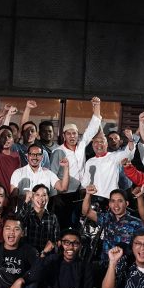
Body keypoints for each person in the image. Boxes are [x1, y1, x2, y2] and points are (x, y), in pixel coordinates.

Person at [50, 97, 102, 228]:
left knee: (78, 225)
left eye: (74, 133)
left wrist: (96, 106)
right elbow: (52, 175)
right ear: (64, 136)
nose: (72, 136)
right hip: (64, 195)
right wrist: (55, 196)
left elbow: (93, 127)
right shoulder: (58, 151)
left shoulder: (81, 146)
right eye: (69, 134)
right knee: (63, 224)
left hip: (81, 192)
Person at [82, 187, 143, 267]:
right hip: (105, 265)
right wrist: (88, 194)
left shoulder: (136, 223)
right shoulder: (106, 218)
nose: (116, 205)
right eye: (113, 201)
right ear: (109, 204)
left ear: (126, 203)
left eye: (120, 201)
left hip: (125, 267)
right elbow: (86, 212)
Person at [81, 130, 135, 200]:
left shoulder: (114, 157)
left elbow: (128, 154)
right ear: (93, 145)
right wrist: (87, 187)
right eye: (96, 142)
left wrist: (130, 139)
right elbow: (85, 182)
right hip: (94, 198)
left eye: (102, 141)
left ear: (106, 145)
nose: (99, 144)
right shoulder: (89, 162)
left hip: (110, 198)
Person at [16, 184, 60, 256]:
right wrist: (26, 201)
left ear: (48, 198)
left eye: (44, 195)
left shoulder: (53, 217)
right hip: (29, 255)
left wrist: (50, 248)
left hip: (47, 256)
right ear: (32, 198)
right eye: (37, 195)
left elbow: (57, 240)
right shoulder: (28, 214)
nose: (41, 198)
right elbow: (18, 222)